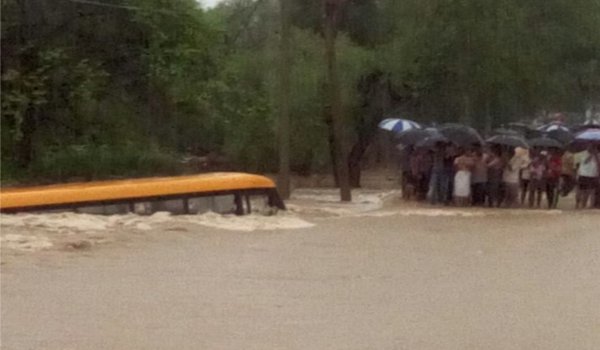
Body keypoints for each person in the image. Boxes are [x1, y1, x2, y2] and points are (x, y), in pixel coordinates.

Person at [575, 144, 599, 209]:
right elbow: (585, 162)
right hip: (583, 174)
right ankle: (578, 204)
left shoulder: (598, 155)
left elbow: (598, 164)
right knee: (581, 191)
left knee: (592, 191)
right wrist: (591, 155)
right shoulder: (583, 153)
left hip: (593, 175)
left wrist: (596, 156)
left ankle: (590, 205)